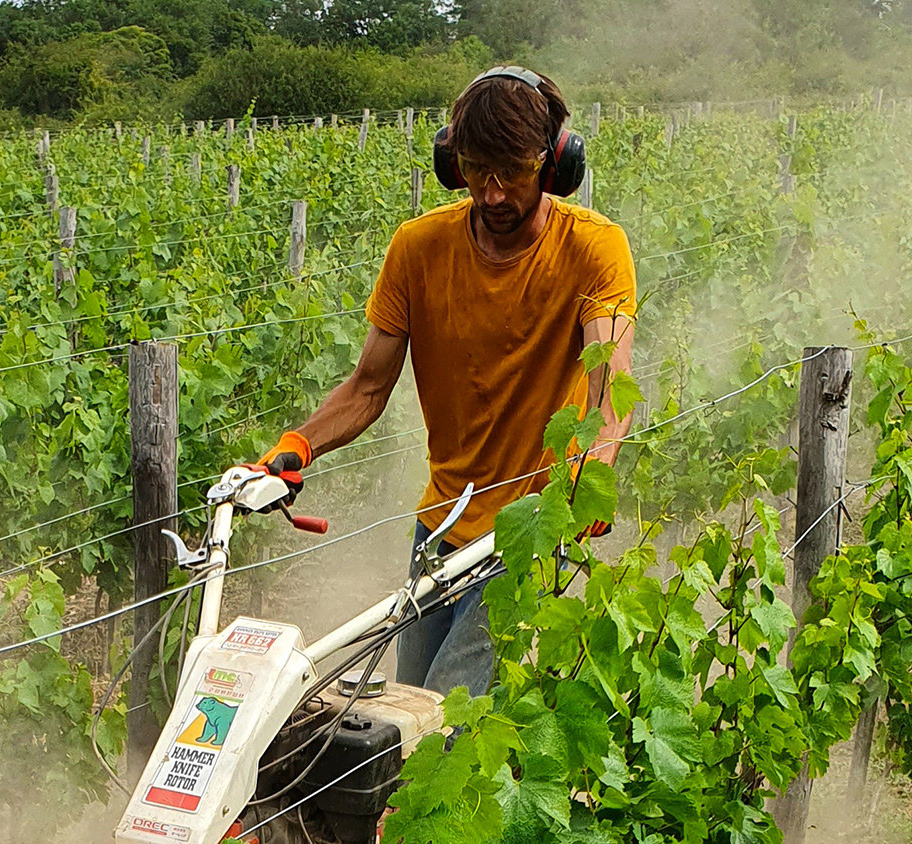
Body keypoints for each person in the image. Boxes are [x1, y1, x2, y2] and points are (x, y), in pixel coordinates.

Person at [253, 66, 638, 697]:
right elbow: (368, 388)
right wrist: (296, 445)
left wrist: (590, 471)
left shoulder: (593, 250)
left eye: (511, 172)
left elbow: (607, 385)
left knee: (445, 719)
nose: (491, 194)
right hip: (437, 525)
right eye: (476, 170)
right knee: (404, 715)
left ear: (552, 164)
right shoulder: (418, 248)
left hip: (525, 530)